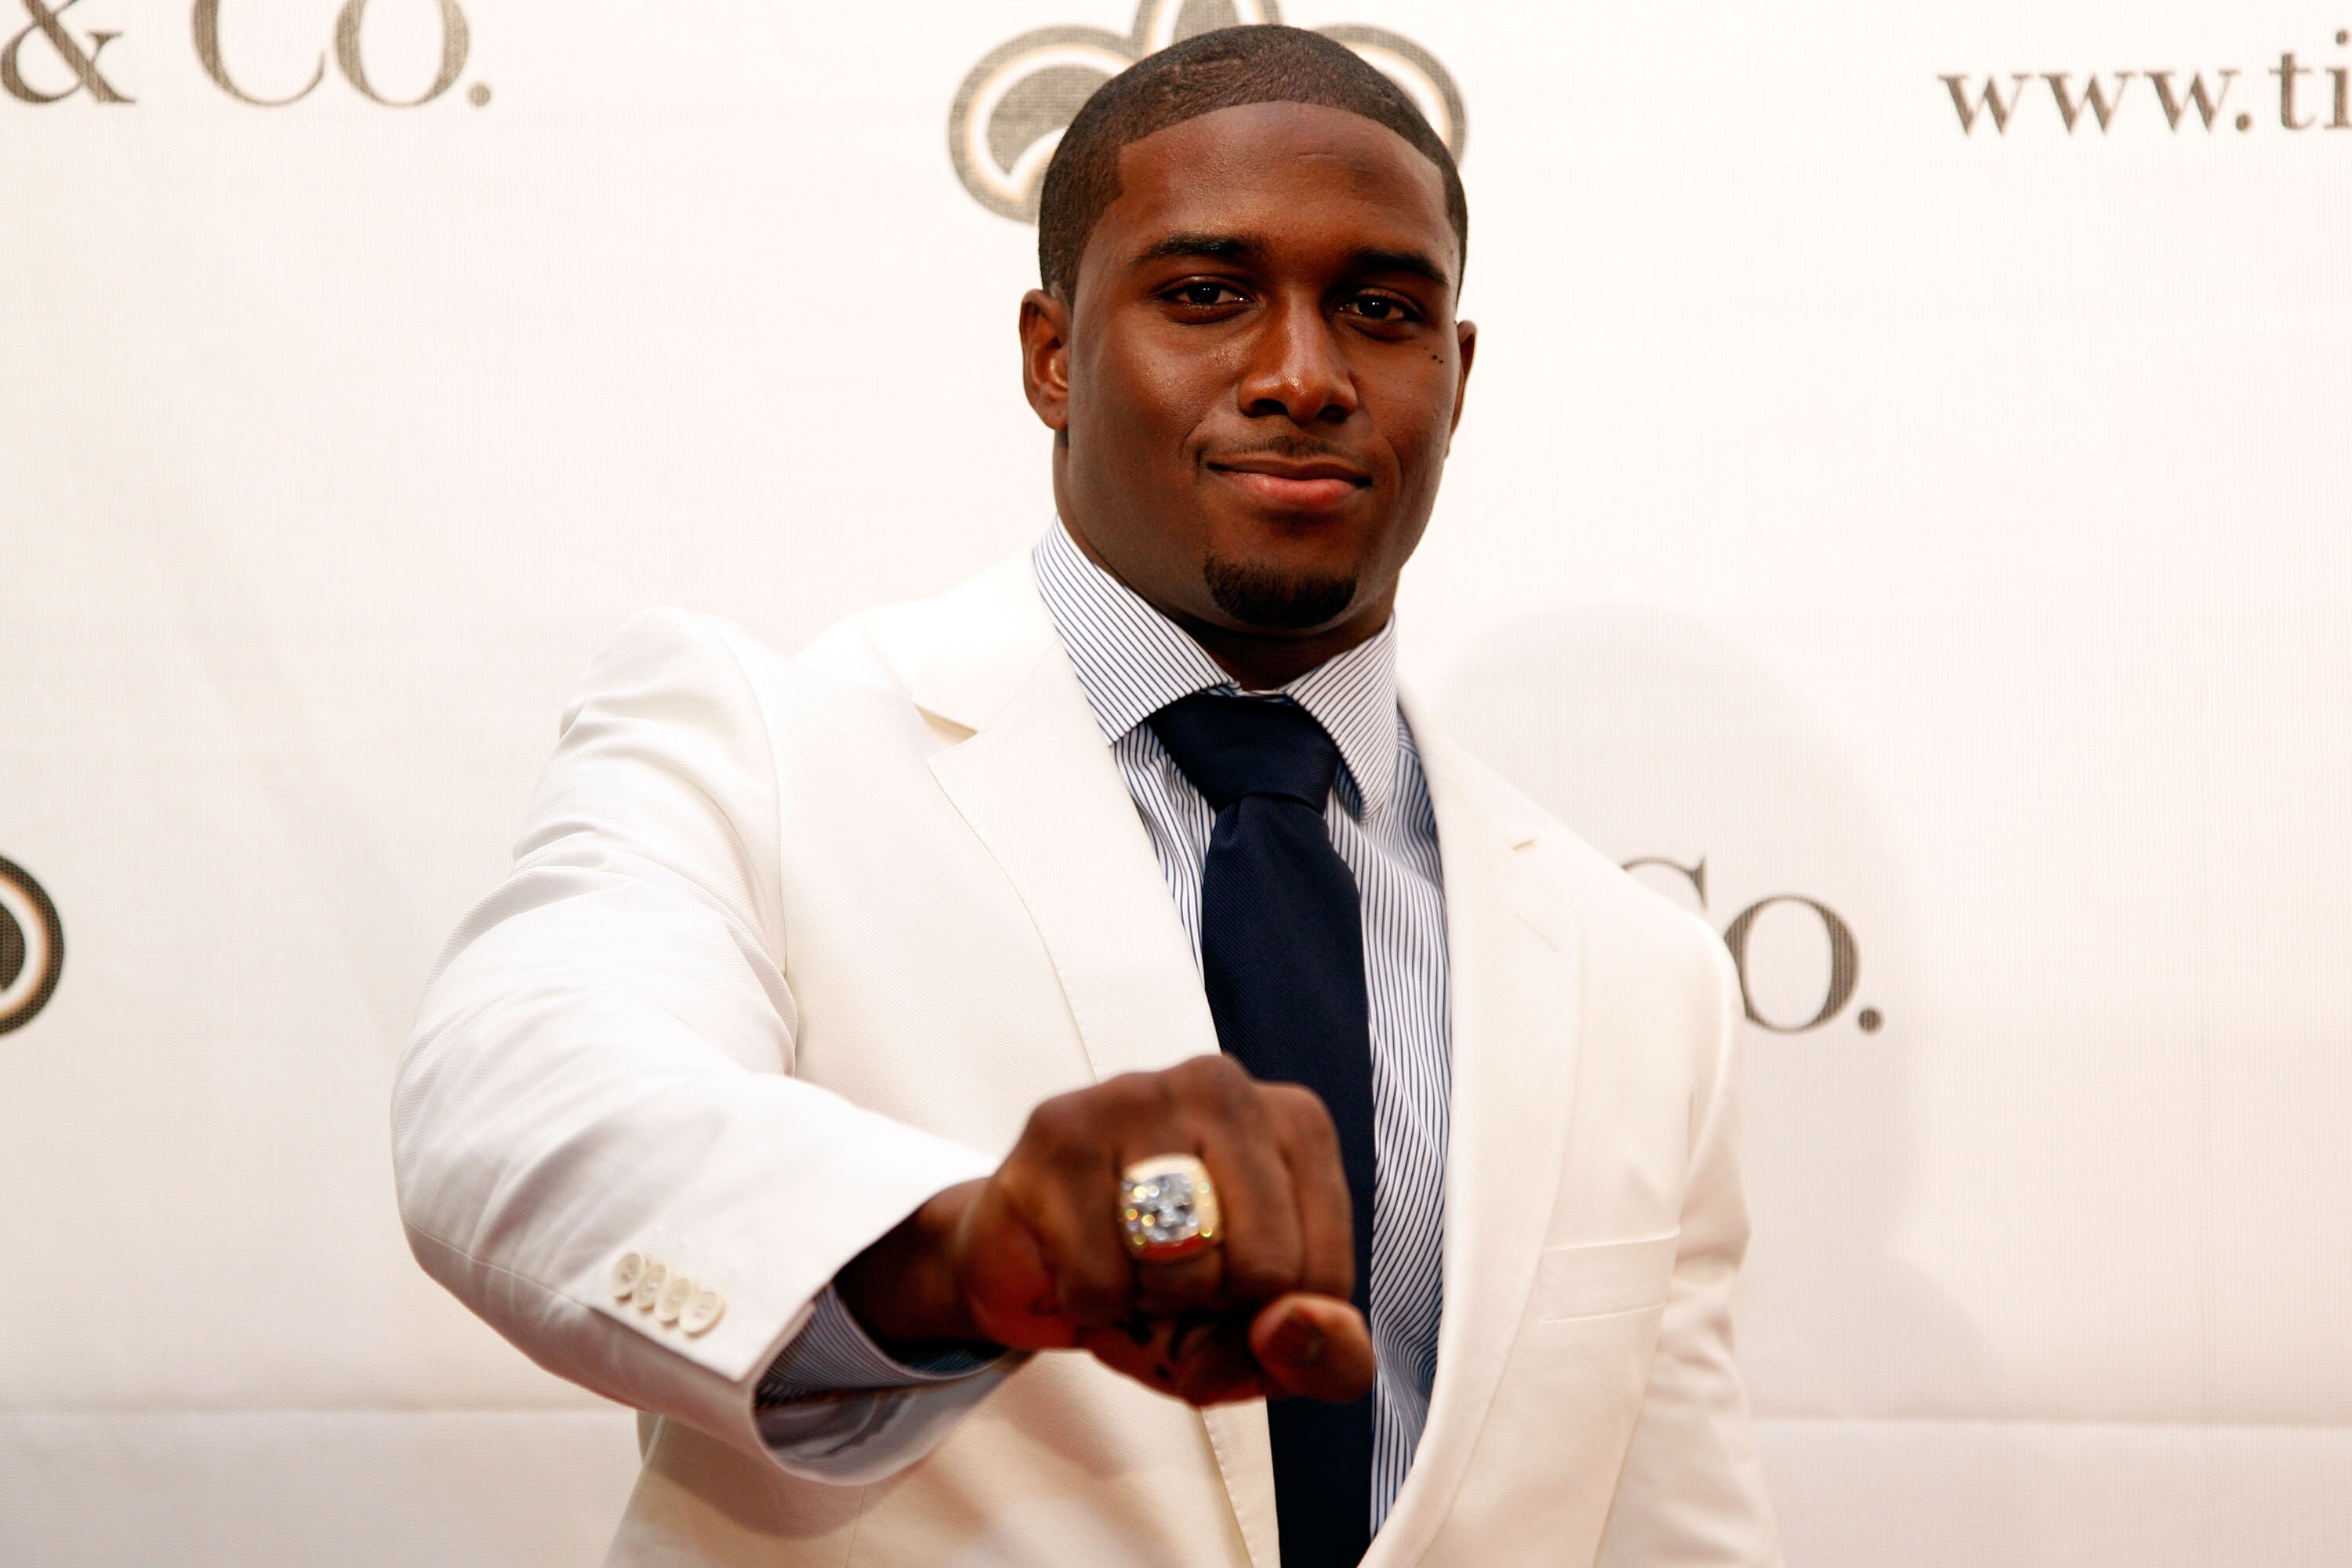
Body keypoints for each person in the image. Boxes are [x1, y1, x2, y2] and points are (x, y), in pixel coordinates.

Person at [394, 24, 1779, 1568]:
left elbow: (1671, 1529)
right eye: (1207, 294)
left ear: (1453, 376)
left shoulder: (1641, 971)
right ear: (1055, 354)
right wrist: (967, 1252)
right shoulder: (760, 746)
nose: (1305, 375)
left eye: (1381, 311)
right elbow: (522, 1107)